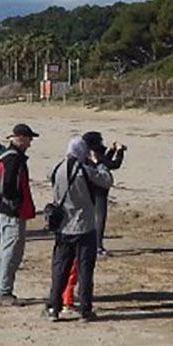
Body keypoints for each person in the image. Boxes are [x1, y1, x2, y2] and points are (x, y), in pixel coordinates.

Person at [44, 135, 108, 321]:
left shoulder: (57, 169)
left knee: (60, 269)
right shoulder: (85, 170)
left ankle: (54, 308)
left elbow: (49, 176)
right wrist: (99, 163)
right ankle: (85, 309)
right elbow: (106, 180)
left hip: (63, 227)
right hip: (84, 226)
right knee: (85, 270)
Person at [0, 123, 37, 306]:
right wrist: (15, 202)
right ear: (20, 138)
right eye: (29, 139)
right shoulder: (13, 159)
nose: (30, 143)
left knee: (5, 251)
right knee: (12, 252)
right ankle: (4, 292)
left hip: (4, 210)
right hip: (11, 212)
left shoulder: (6, 156)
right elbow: (8, 186)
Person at [81, 131, 125, 256]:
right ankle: (98, 246)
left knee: (88, 218)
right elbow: (113, 164)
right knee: (100, 218)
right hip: (100, 190)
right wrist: (120, 151)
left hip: (86, 190)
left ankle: (89, 245)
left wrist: (112, 151)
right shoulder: (95, 155)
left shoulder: (84, 155)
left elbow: (104, 161)